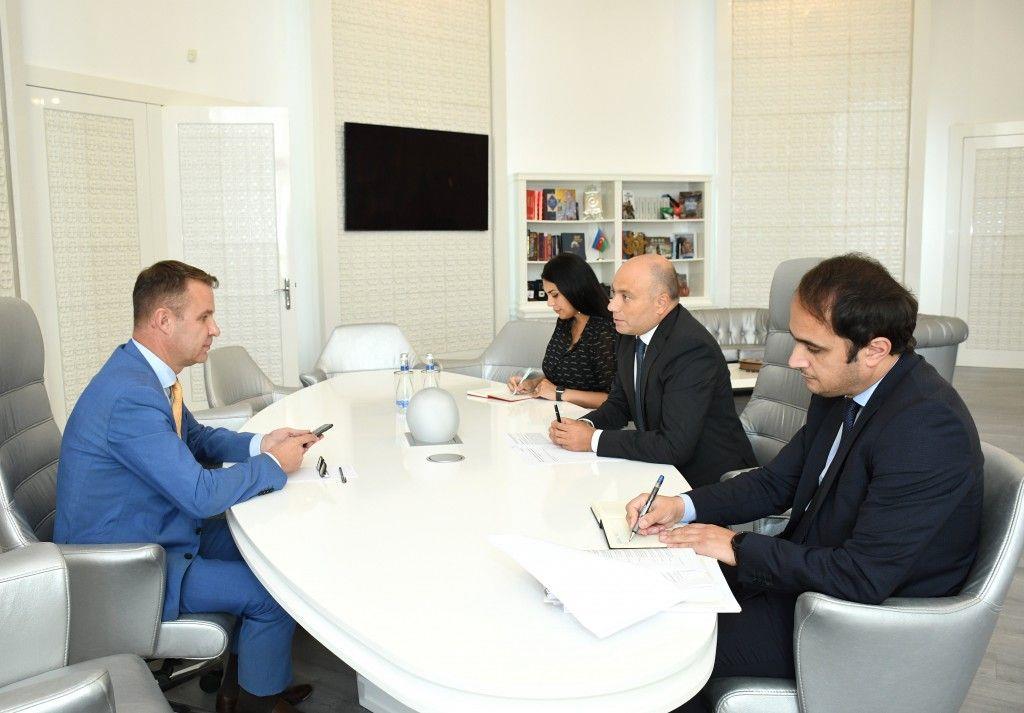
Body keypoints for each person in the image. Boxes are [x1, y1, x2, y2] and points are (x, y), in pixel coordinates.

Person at [625, 254, 983, 713]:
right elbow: (775, 483)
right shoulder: (842, 390)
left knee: (667, 648)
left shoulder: (926, 428)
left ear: (874, 350)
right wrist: (682, 506)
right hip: (807, 583)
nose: (795, 360)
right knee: (649, 591)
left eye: (813, 348)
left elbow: (862, 576)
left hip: (854, 624)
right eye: (796, 341)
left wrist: (735, 546)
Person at [55, 261, 318, 713]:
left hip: (159, 530)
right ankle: (258, 702)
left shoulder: (146, 375)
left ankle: (245, 687)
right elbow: (200, 494)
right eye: (204, 317)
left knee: (275, 554)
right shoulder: (131, 395)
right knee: (272, 595)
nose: (215, 329)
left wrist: (261, 443)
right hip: (129, 569)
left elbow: (196, 438)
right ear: (164, 320)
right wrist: (276, 464)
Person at [548, 254, 756, 487]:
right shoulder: (630, 332)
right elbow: (619, 404)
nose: (611, 305)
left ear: (660, 303)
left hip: (711, 483)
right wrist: (584, 426)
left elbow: (674, 445)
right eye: (613, 294)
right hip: (661, 470)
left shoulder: (691, 348)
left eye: (626, 297)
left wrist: (593, 440)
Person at [507, 253, 616, 408]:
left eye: (555, 295)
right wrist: (533, 384)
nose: (550, 303)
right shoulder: (565, 322)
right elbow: (560, 375)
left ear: (575, 289)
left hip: (587, 419)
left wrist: (559, 393)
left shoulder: (605, 332)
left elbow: (614, 400)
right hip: (554, 412)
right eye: (547, 295)